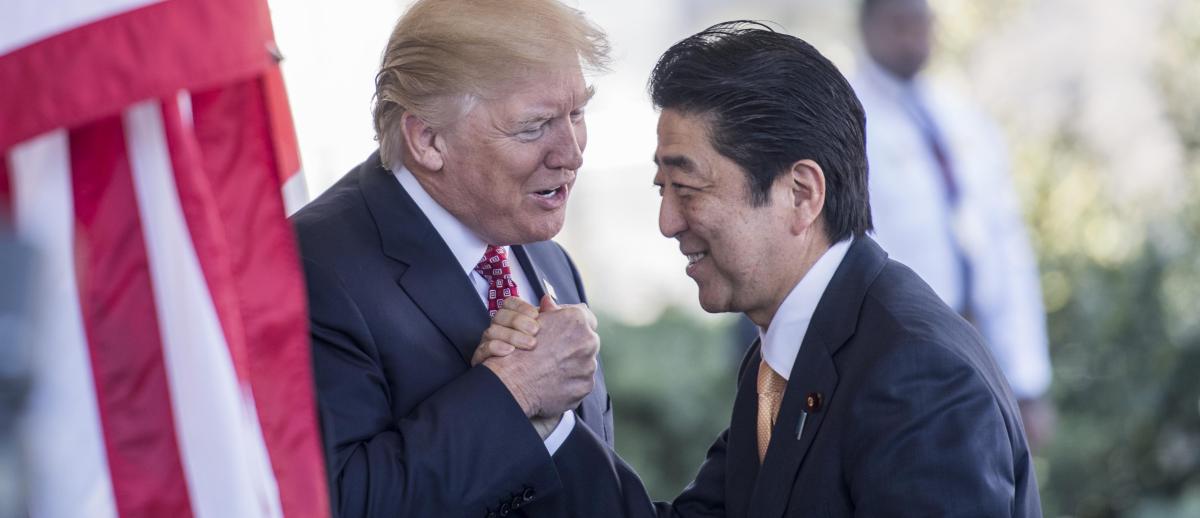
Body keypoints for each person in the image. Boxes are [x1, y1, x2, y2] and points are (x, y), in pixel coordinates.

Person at [484, 21, 1042, 517]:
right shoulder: (786, 350)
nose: (667, 222)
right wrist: (542, 415)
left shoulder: (918, 375)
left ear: (801, 193)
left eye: (687, 188)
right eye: (662, 189)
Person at [290, 1, 615, 516]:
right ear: (428, 140)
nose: (571, 152)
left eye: (577, 113)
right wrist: (516, 391)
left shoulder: (548, 258)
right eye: (535, 126)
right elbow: (341, 502)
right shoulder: (311, 268)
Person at [852, 0, 1055, 449]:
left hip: (976, 345)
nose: (913, 39)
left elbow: (1007, 249)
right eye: (899, 25)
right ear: (868, 26)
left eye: (922, 24)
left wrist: (1027, 380)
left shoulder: (961, 115)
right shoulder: (843, 119)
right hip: (894, 354)